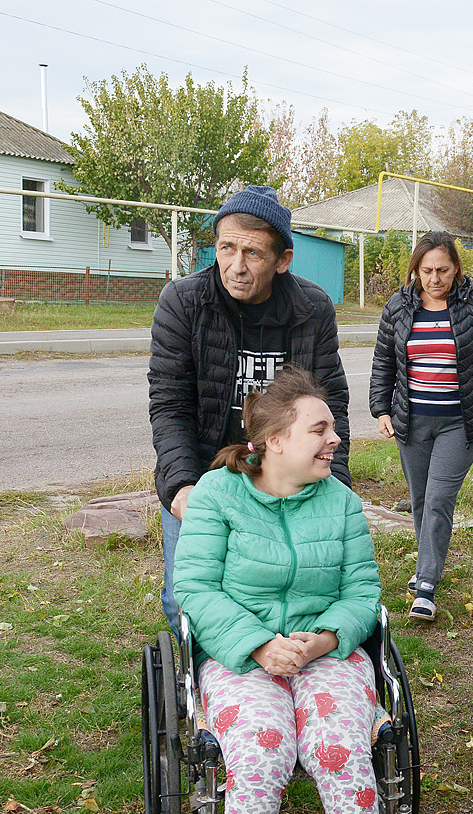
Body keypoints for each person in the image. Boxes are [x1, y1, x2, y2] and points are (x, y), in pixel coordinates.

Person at [171, 366, 406, 814]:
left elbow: (362, 592)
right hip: (240, 655)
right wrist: (255, 646)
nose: (335, 441)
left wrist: (326, 637)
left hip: (324, 650)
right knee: (257, 750)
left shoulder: (342, 502)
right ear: (274, 440)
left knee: (335, 745)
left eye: (332, 429)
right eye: (320, 430)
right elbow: (192, 588)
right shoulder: (217, 495)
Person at [149, 184, 350, 639]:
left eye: (253, 254)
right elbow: (170, 402)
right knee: (186, 597)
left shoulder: (312, 308)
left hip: (284, 474)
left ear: (283, 260)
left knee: (296, 590)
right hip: (203, 470)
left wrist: (335, 484)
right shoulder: (182, 303)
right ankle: (212, 700)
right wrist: (181, 486)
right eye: (226, 248)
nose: (236, 267)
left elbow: (330, 401)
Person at [369, 231, 473, 622]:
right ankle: (428, 568)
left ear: (456, 269)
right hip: (411, 422)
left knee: (438, 500)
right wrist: (381, 409)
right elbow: (383, 361)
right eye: (427, 270)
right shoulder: (398, 307)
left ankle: (427, 585)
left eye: (443, 270)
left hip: (460, 423)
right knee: (420, 501)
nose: (435, 278)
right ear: (415, 269)